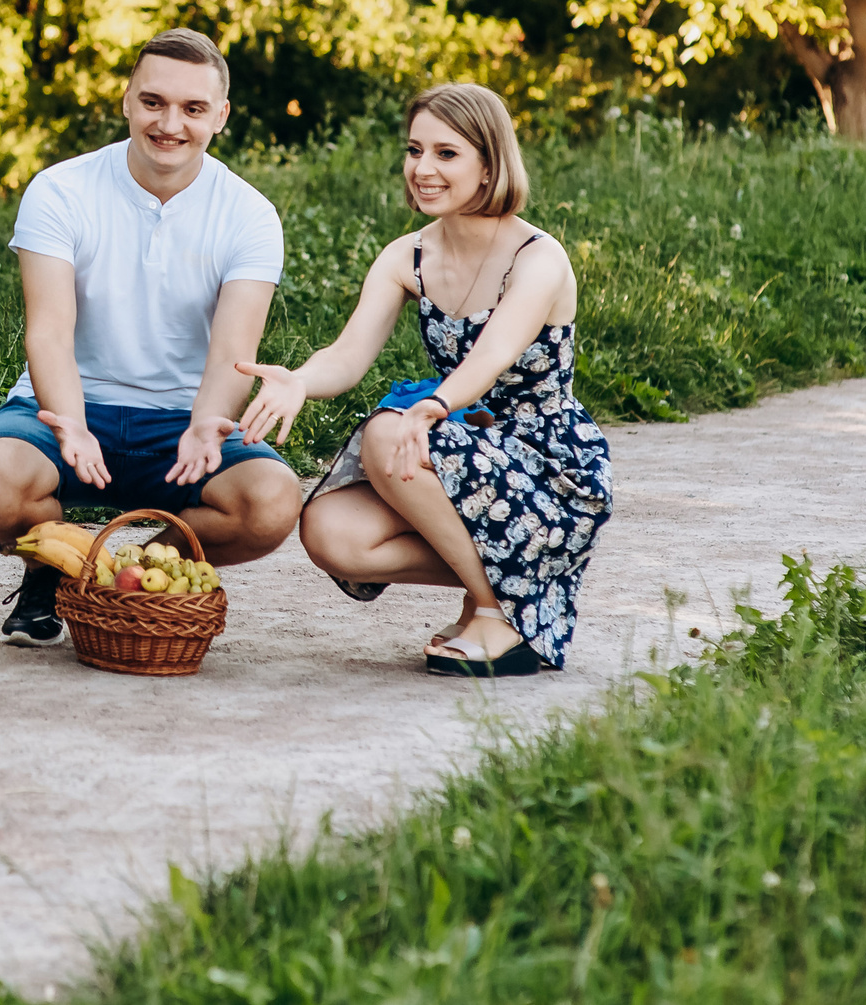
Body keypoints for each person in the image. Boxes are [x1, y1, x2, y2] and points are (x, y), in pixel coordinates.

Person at [233, 82, 612, 677]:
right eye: (415, 150)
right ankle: (518, 578)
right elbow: (350, 354)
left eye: (446, 153)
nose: (423, 169)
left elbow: (489, 359)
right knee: (331, 532)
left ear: (489, 165)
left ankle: (498, 614)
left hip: (547, 465)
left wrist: (432, 405)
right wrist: (300, 381)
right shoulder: (405, 256)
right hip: (465, 450)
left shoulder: (539, 257)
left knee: (388, 434)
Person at [0, 28, 302, 648]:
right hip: (73, 404)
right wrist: (69, 420)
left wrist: (207, 423)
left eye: (193, 108)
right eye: (154, 102)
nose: (170, 123)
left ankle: (129, 571)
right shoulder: (60, 190)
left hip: (180, 422)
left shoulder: (250, 214)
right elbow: (49, 330)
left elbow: (235, 349)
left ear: (220, 116)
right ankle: (47, 574)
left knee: (273, 502)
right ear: (126, 101)